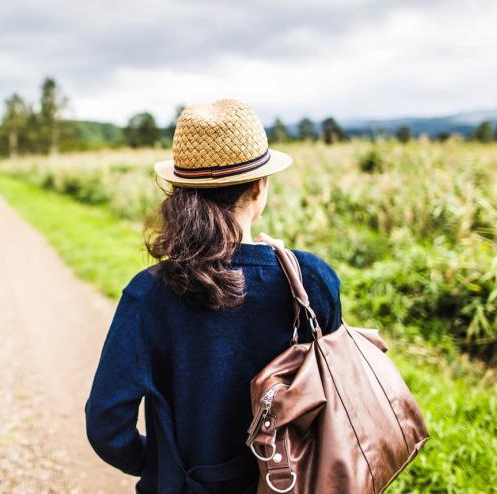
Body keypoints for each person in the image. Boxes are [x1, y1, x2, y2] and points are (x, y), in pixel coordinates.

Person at [85, 99, 342, 494]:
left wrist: (156, 464)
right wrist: (289, 268)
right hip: (290, 482)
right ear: (259, 188)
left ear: (182, 192)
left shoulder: (148, 294)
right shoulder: (311, 280)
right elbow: (336, 394)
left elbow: (106, 425)